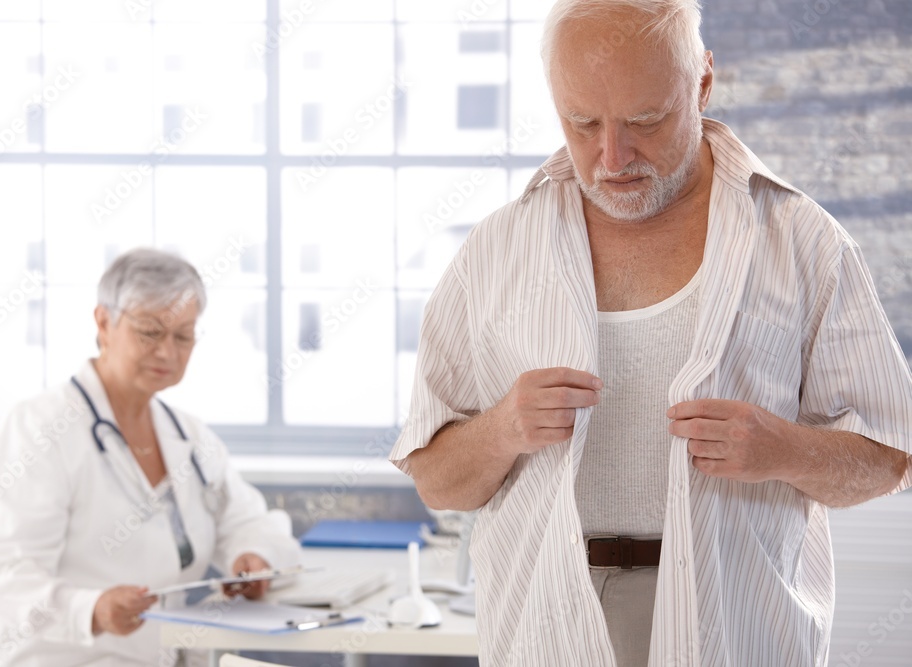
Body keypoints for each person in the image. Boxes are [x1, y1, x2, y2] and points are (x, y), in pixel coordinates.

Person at [390, 1, 912, 665]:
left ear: (702, 83)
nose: (613, 155)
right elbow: (437, 482)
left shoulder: (802, 242)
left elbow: (890, 457)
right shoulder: (494, 253)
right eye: (583, 123)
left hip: (736, 627)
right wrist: (501, 430)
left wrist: (784, 449)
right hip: (549, 626)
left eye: (645, 121)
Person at [0, 248, 302, 666]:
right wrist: (90, 609)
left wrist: (253, 557)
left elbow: (249, 522)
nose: (167, 352)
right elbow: (0, 577)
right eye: (149, 332)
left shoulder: (189, 436)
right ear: (104, 323)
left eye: (183, 336)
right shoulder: (39, 430)